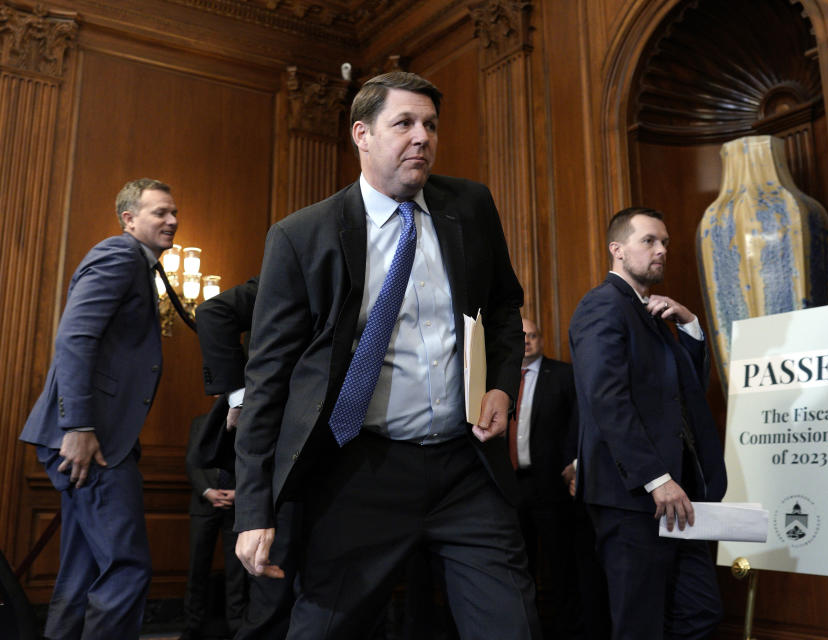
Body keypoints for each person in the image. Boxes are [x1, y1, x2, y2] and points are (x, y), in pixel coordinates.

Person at [232, 71, 540, 639]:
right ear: (362, 134)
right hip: (361, 471)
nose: (422, 136)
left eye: (430, 124)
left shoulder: (469, 206)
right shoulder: (303, 236)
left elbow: (503, 306)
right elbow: (268, 379)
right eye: (404, 123)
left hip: (465, 469)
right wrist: (253, 512)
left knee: (511, 627)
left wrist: (500, 384)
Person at [20, 178, 180, 639]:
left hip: (98, 439)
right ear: (129, 220)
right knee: (127, 568)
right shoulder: (119, 254)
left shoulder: (139, 265)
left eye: (174, 213)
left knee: (82, 569)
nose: (172, 221)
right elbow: (74, 338)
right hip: (93, 440)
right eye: (160, 213)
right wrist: (80, 426)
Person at [568, 207, 727, 640]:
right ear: (617, 250)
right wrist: (656, 479)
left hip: (680, 497)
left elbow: (687, 392)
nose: (661, 251)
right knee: (639, 625)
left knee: (699, 612)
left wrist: (691, 324)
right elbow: (607, 399)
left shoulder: (652, 313)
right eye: (649, 241)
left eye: (665, 243)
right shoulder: (602, 304)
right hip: (634, 498)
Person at [195, 276, 301, 640]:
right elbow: (213, 312)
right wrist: (242, 398)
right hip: (285, 449)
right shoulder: (299, 257)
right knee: (273, 595)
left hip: (363, 460)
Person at [508, 319, 580, 638]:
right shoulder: (500, 377)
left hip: (551, 486)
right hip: (508, 488)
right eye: (520, 336)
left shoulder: (563, 375)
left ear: (541, 339)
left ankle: (565, 630)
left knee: (560, 565)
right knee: (517, 567)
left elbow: (578, 425)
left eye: (532, 335)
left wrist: (575, 465)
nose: (526, 341)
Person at [182, 415, 246, 640]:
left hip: (237, 505)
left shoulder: (251, 416)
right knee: (197, 568)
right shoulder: (201, 422)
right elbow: (192, 460)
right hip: (204, 503)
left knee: (237, 572)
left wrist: (240, 493)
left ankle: (236, 626)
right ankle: (192, 626)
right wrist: (207, 492)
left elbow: (254, 459)